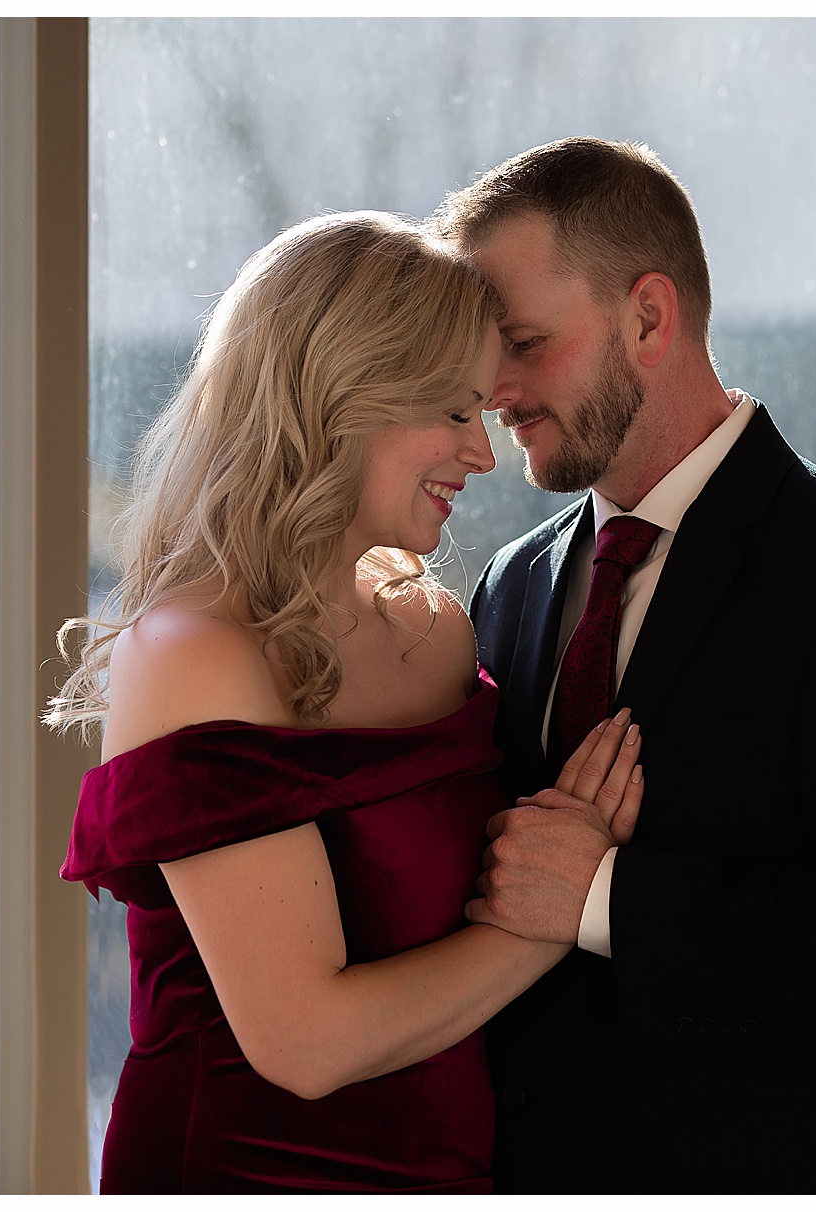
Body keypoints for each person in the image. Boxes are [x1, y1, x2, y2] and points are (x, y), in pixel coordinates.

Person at [435, 137, 816, 1192]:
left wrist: (608, 896)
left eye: (522, 341)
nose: (494, 391)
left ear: (650, 319)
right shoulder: (511, 586)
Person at [50, 212, 646, 1193]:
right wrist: (559, 916)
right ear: (342, 398)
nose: (484, 455)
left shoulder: (439, 629)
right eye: (454, 414)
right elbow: (307, 1044)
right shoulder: (194, 652)